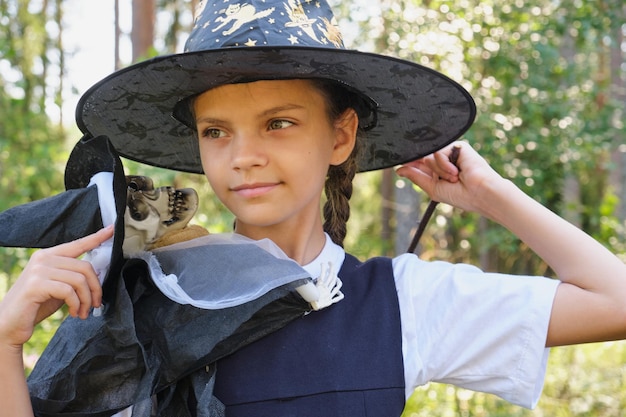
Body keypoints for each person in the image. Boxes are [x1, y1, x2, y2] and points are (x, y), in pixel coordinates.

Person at [1, 0, 626, 416]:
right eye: (216, 131)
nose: (242, 157)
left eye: (278, 123)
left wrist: (489, 194)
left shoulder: (403, 304)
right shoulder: (148, 288)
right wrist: (7, 343)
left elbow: (614, 303)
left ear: (340, 136)